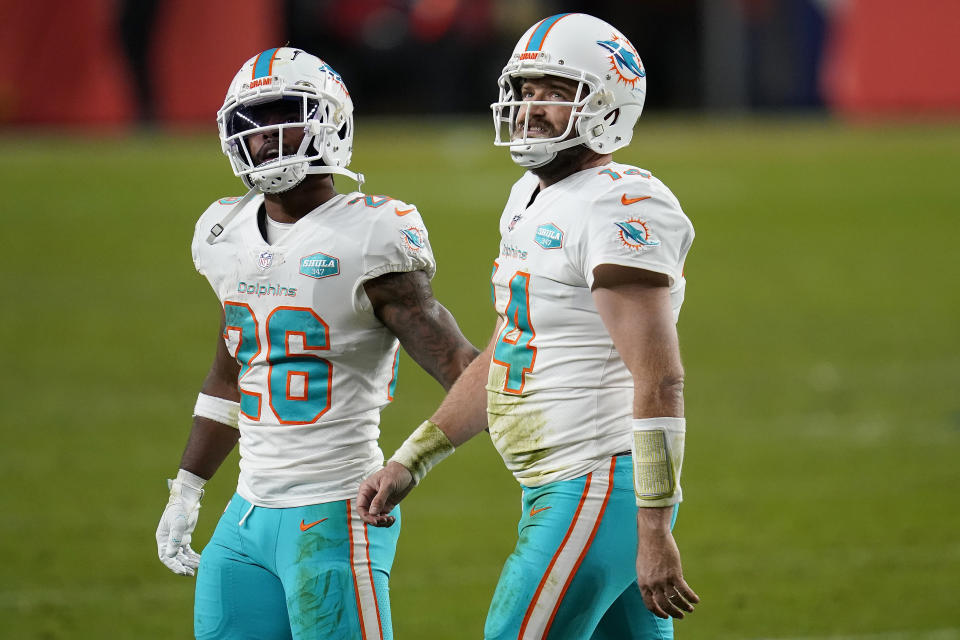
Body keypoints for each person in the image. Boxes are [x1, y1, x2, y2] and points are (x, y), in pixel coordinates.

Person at [357, 13, 699, 639]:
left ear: (606, 103)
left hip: (595, 485)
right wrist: (413, 459)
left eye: (556, 92)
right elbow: (511, 346)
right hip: (562, 487)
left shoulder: (622, 206)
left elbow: (661, 379)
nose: (530, 107)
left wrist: (654, 529)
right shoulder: (531, 195)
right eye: (526, 89)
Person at [154, 47, 478, 640]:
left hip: (337, 511)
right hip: (246, 518)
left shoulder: (371, 234)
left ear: (330, 123)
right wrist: (188, 489)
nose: (268, 136)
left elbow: (461, 365)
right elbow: (233, 374)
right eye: (254, 122)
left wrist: (540, 440)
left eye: (287, 114)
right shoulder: (223, 232)